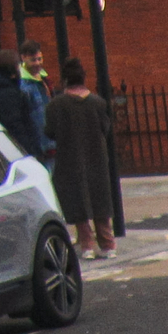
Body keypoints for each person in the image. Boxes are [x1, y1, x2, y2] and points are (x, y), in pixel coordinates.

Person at [45, 58, 117, 258]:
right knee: (100, 198)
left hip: (69, 159)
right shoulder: (98, 103)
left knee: (78, 200)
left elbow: (49, 131)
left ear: (65, 79)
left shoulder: (56, 105)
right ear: (83, 78)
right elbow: (106, 128)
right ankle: (108, 244)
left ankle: (86, 245)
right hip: (97, 157)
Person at [0, 48, 44, 158]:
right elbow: (16, 126)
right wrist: (30, 151)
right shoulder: (9, 94)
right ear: (13, 68)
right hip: (18, 151)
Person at [18, 41, 55, 162]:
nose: (38, 63)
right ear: (23, 58)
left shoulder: (44, 79)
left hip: (51, 142)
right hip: (40, 146)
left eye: (40, 59)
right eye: (33, 60)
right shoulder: (23, 86)